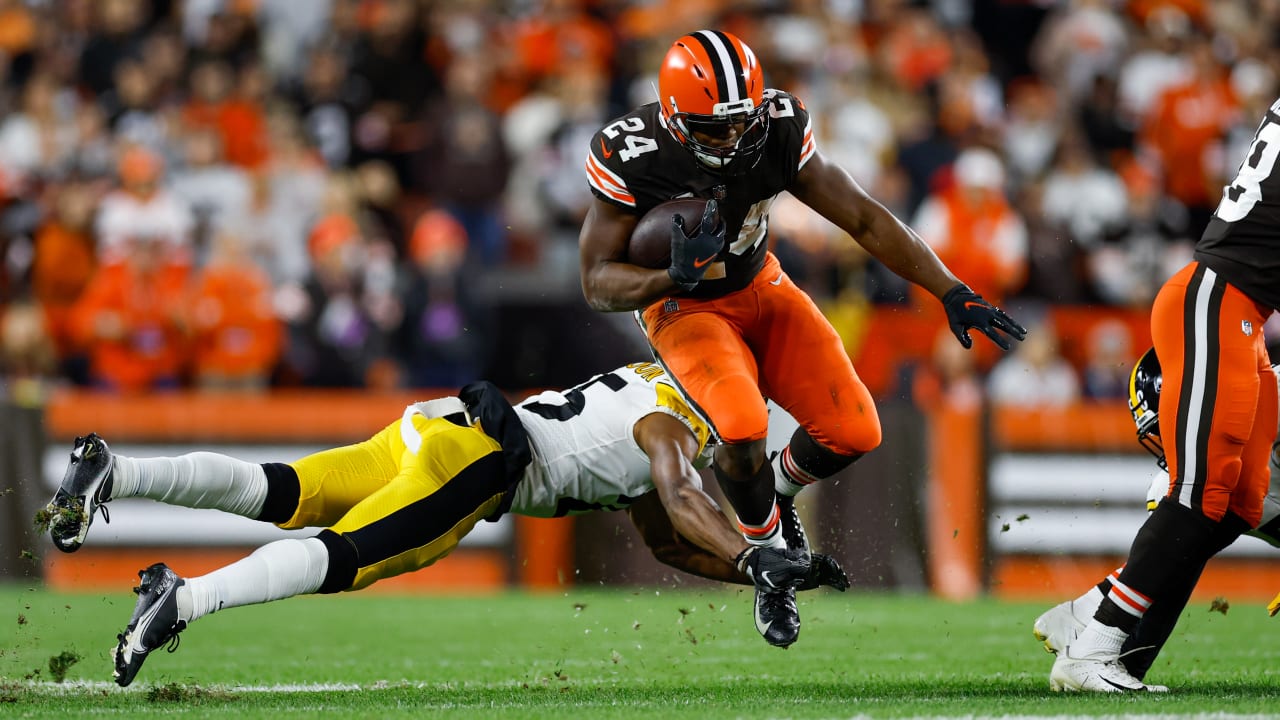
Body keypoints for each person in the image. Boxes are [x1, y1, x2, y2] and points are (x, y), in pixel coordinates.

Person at [577, 29, 1026, 647]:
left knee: (855, 431)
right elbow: (597, 282)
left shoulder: (778, 126)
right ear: (676, 119)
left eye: (741, 121)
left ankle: (777, 495)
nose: (732, 137)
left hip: (761, 282)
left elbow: (862, 215)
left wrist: (949, 288)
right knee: (738, 424)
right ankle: (771, 566)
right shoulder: (633, 152)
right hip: (683, 305)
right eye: (713, 128)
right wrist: (668, 275)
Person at [39, 361, 848, 687]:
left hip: (440, 424)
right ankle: (181, 601)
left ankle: (120, 469)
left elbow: (669, 537)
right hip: (474, 463)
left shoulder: (659, 385)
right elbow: (678, 494)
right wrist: (755, 563)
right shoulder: (676, 425)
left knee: (282, 488)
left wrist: (754, 568)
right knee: (348, 555)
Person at [1048, 96, 1280, 693]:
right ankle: (1094, 648)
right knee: (1200, 491)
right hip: (1220, 301)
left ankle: (1093, 610)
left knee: (1236, 504)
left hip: (1240, 311)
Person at [1034, 349, 1280, 684]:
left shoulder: (1273, 391)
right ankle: (1108, 656)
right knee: (1182, 529)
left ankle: (1087, 611)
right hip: (1250, 490)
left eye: (1171, 427)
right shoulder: (1174, 479)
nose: (1170, 444)